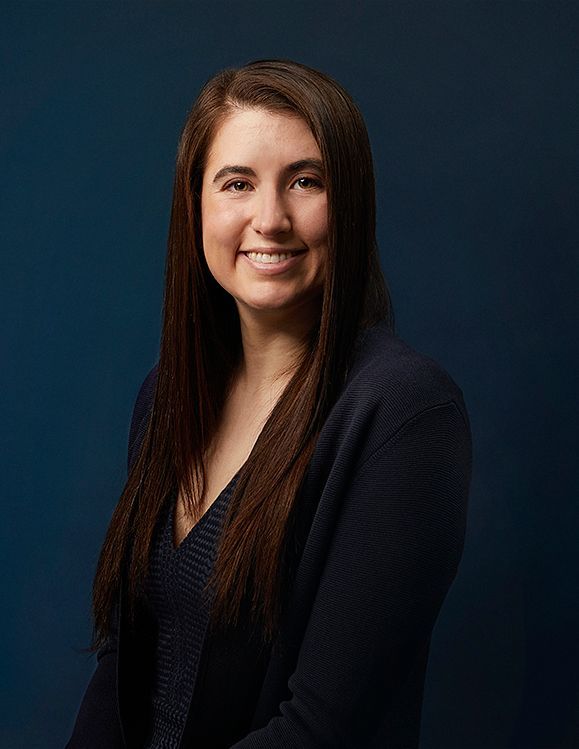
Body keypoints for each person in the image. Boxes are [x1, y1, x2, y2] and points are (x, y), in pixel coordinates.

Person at [67, 59, 472, 749]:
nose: (271, 218)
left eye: (305, 181)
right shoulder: (167, 397)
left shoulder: (403, 413)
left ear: (350, 203)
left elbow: (321, 729)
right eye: (237, 184)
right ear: (195, 204)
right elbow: (124, 667)